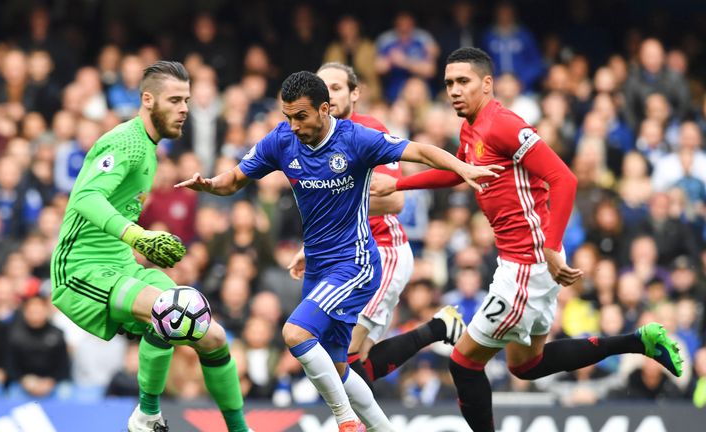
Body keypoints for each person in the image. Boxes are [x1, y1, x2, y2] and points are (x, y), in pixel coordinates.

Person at [370, 47, 684, 432]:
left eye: (463, 81)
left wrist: (550, 248)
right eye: (449, 82)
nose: (454, 90)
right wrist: (400, 183)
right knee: (526, 364)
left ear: (487, 84)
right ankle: (640, 342)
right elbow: (460, 171)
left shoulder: (502, 124)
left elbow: (564, 179)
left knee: (464, 363)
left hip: (529, 261)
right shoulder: (471, 126)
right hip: (522, 259)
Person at [176, 71, 501, 432]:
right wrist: (210, 185)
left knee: (296, 334)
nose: (294, 125)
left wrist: (463, 166)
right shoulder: (282, 140)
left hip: (355, 263)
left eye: (302, 116)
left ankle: (345, 421)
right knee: (338, 367)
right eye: (288, 117)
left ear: (325, 109)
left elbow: (419, 151)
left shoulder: (355, 139)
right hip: (317, 266)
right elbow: (235, 179)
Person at [49, 61, 249, 432]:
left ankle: (239, 429)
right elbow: (85, 198)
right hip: (80, 269)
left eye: (187, 100)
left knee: (212, 335)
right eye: (175, 100)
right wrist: (137, 236)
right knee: (168, 309)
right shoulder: (124, 141)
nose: (184, 108)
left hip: (121, 266)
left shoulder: (150, 148)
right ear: (147, 99)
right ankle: (147, 413)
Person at [305, 62, 465, 393]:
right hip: (349, 259)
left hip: (382, 252)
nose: (329, 96)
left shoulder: (369, 132)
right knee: (352, 363)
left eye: (336, 88)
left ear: (355, 93)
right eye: (323, 89)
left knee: (338, 358)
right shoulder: (313, 139)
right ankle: (438, 328)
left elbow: (394, 202)